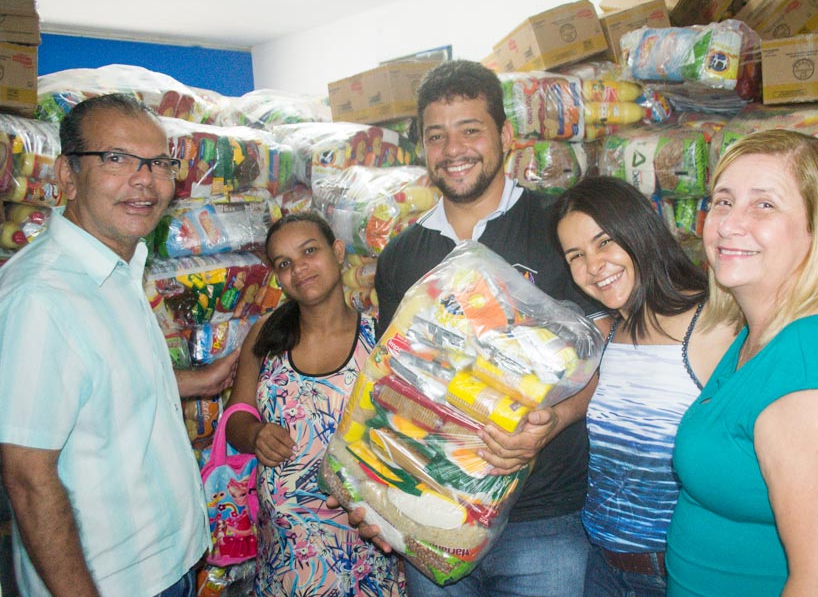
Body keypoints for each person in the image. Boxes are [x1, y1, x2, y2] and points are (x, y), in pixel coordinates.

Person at [351, 59, 606, 597]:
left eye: (471, 130)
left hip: (544, 518)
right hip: (433, 512)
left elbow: (609, 353)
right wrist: (375, 489)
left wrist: (551, 421)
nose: (453, 150)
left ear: (506, 136)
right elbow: (395, 382)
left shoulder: (560, 224)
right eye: (436, 136)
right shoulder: (401, 255)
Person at [0, 93, 223, 597]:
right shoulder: (42, 298)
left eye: (158, 163)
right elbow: (29, 479)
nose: (144, 179)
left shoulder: (118, 270)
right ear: (67, 175)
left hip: (171, 562)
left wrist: (195, 381)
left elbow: (101, 388)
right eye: (116, 159)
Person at [667, 129, 818, 595]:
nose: (729, 224)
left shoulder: (815, 364)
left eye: (765, 205)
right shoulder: (765, 332)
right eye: (723, 201)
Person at [552, 177, 736, 596]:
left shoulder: (713, 325)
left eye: (604, 243)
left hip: (674, 573)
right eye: (576, 255)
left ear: (639, 232)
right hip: (602, 566)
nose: (593, 266)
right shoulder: (611, 333)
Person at [225, 212, 405, 596]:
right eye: (284, 264)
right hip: (288, 558)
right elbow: (236, 416)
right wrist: (255, 434)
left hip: (366, 553)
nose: (299, 269)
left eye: (309, 251)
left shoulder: (381, 338)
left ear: (338, 252)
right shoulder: (266, 333)